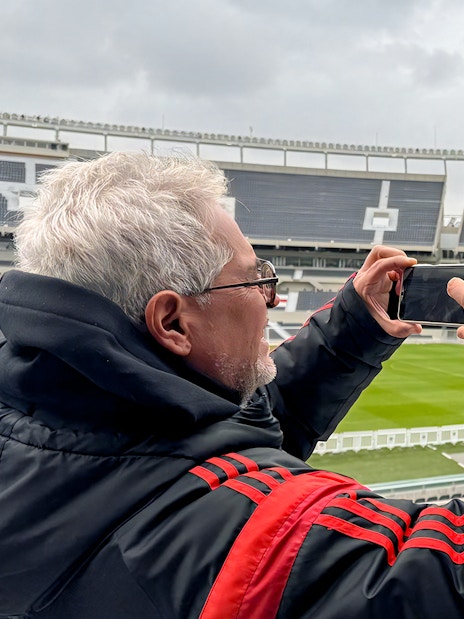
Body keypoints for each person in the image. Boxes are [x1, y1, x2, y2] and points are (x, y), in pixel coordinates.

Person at [0, 151, 461, 619]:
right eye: (253, 279)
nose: (273, 297)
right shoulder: (242, 537)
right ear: (172, 322)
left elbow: (202, 446)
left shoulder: (56, 422)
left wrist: (355, 330)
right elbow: (436, 576)